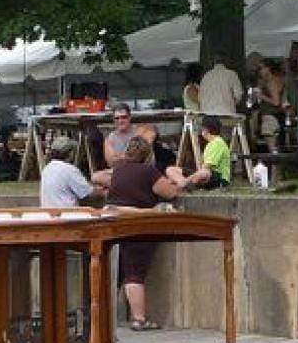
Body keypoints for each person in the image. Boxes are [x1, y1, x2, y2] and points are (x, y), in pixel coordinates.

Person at [102, 136, 181, 331]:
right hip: (138, 226)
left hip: (113, 224)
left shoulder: (118, 170)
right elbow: (170, 193)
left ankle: (101, 315)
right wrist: (175, 179)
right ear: (148, 154)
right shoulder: (148, 171)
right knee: (134, 273)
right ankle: (139, 319)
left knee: (114, 274)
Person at [166, 116, 231, 191]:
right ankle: (185, 184)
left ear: (206, 130)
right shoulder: (210, 143)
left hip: (218, 178)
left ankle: (183, 184)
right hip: (201, 174)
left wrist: (187, 179)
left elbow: (207, 167)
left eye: (202, 128)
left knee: (204, 172)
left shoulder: (217, 143)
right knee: (170, 169)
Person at [40, 136, 101, 207]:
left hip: (48, 212)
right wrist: (105, 192)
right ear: (70, 153)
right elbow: (88, 193)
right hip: (68, 214)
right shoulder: (69, 170)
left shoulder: (47, 168)